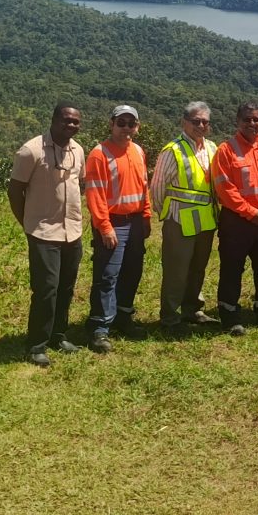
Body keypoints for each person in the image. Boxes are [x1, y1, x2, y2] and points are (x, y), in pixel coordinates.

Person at [7, 103, 86, 367]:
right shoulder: (31, 150)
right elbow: (15, 191)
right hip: (43, 232)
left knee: (66, 287)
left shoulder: (78, 150)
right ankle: (36, 344)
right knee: (46, 290)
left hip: (72, 231)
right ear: (53, 120)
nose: (71, 125)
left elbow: (79, 185)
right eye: (66, 120)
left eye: (75, 122)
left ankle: (58, 335)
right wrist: (28, 223)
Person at [211, 103, 258, 333]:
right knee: (232, 268)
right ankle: (230, 316)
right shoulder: (226, 150)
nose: (252, 123)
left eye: (256, 119)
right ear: (238, 121)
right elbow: (224, 187)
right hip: (237, 222)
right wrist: (249, 212)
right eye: (247, 119)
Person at [84, 105, 152, 353]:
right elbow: (95, 194)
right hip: (113, 223)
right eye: (121, 122)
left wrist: (145, 215)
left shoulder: (138, 151)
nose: (126, 128)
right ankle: (99, 329)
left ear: (137, 126)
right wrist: (104, 227)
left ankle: (123, 318)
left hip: (134, 222)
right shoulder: (99, 154)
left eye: (130, 123)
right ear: (111, 124)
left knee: (132, 272)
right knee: (107, 276)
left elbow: (144, 186)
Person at [150, 102, 219, 335]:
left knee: (198, 268)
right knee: (176, 271)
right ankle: (170, 317)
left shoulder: (212, 148)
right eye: (195, 121)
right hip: (179, 220)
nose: (200, 125)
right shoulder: (173, 150)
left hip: (206, 220)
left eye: (204, 122)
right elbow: (158, 187)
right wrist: (166, 214)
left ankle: (193, 310)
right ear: (184, 122)